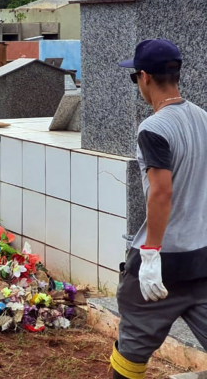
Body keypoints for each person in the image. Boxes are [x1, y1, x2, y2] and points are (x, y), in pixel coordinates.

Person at [110, 39, 207, 379]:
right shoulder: (203, 119)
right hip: (201, 260)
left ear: (145, 77)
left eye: (135, 77)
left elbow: (161, 192)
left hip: (161, 265)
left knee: (131, 353)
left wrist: (151, 254)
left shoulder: (153, 128)